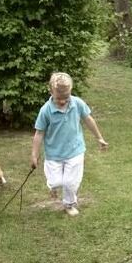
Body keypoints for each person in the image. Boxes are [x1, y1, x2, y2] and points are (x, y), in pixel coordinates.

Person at [30, 72, 109, 217]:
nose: (62, 101)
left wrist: (99, 138)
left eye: (66, 98)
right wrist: (34, 155)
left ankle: (69, 204)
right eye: (59, 98)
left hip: (75, 151)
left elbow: (88, 119)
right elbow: (39, 133)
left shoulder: (77, 103)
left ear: (70, 92)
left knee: (70, 183)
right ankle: (52, 187)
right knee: (55, 182)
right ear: (50, 91)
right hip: (54, 154)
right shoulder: (46, 110)